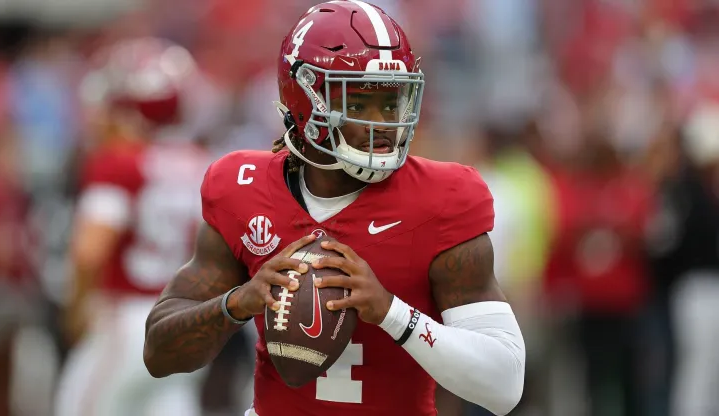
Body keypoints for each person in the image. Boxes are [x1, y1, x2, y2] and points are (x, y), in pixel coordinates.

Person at [143, 1, 526, 415]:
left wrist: (391, 313)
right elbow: (159, 353)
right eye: (359, 104)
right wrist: (238, 302)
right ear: (305, 100)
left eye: (392, 103)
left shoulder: (442, 198)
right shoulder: (243, 189)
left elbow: (504, 385)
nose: (384, 125)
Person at [55, 37, 209, 416]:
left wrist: (75, 310)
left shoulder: (119, 163)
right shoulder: (199, 163)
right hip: (186, 319)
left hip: (126, 322)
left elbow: (90, 251)